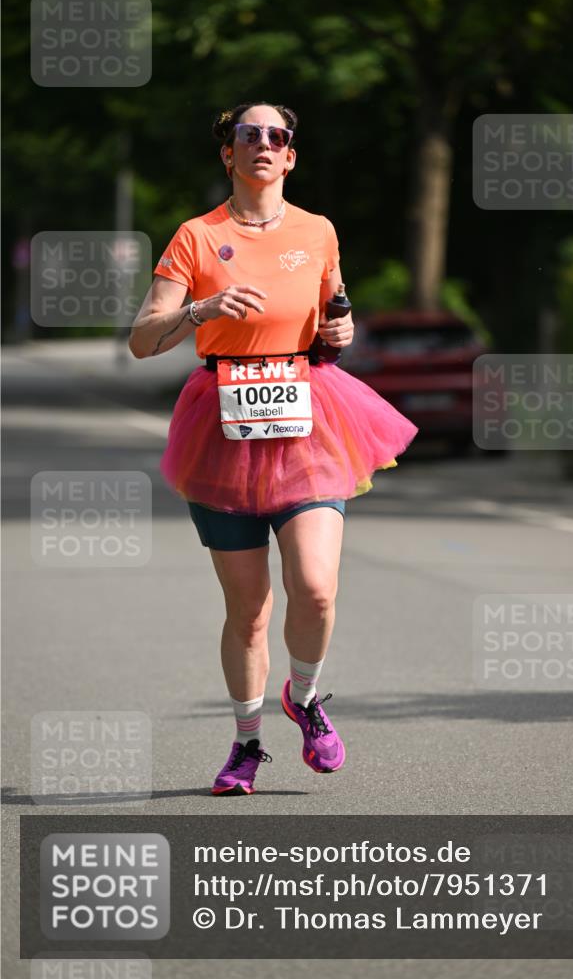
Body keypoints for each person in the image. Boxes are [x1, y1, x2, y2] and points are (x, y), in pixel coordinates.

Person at [129, 101, 418, 796]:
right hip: (221, 426)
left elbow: (333, 313)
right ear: (227, 154)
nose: (262, 144)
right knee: (249, 610)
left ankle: (307, 697)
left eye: (276, 136)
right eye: (247, 135)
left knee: (315, 589)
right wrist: (200, 310)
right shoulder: (197, 237)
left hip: (307, 418)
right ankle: (246, 744)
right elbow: (143, 339)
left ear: (289, 157)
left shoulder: (316, 232)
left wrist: (338, 337)